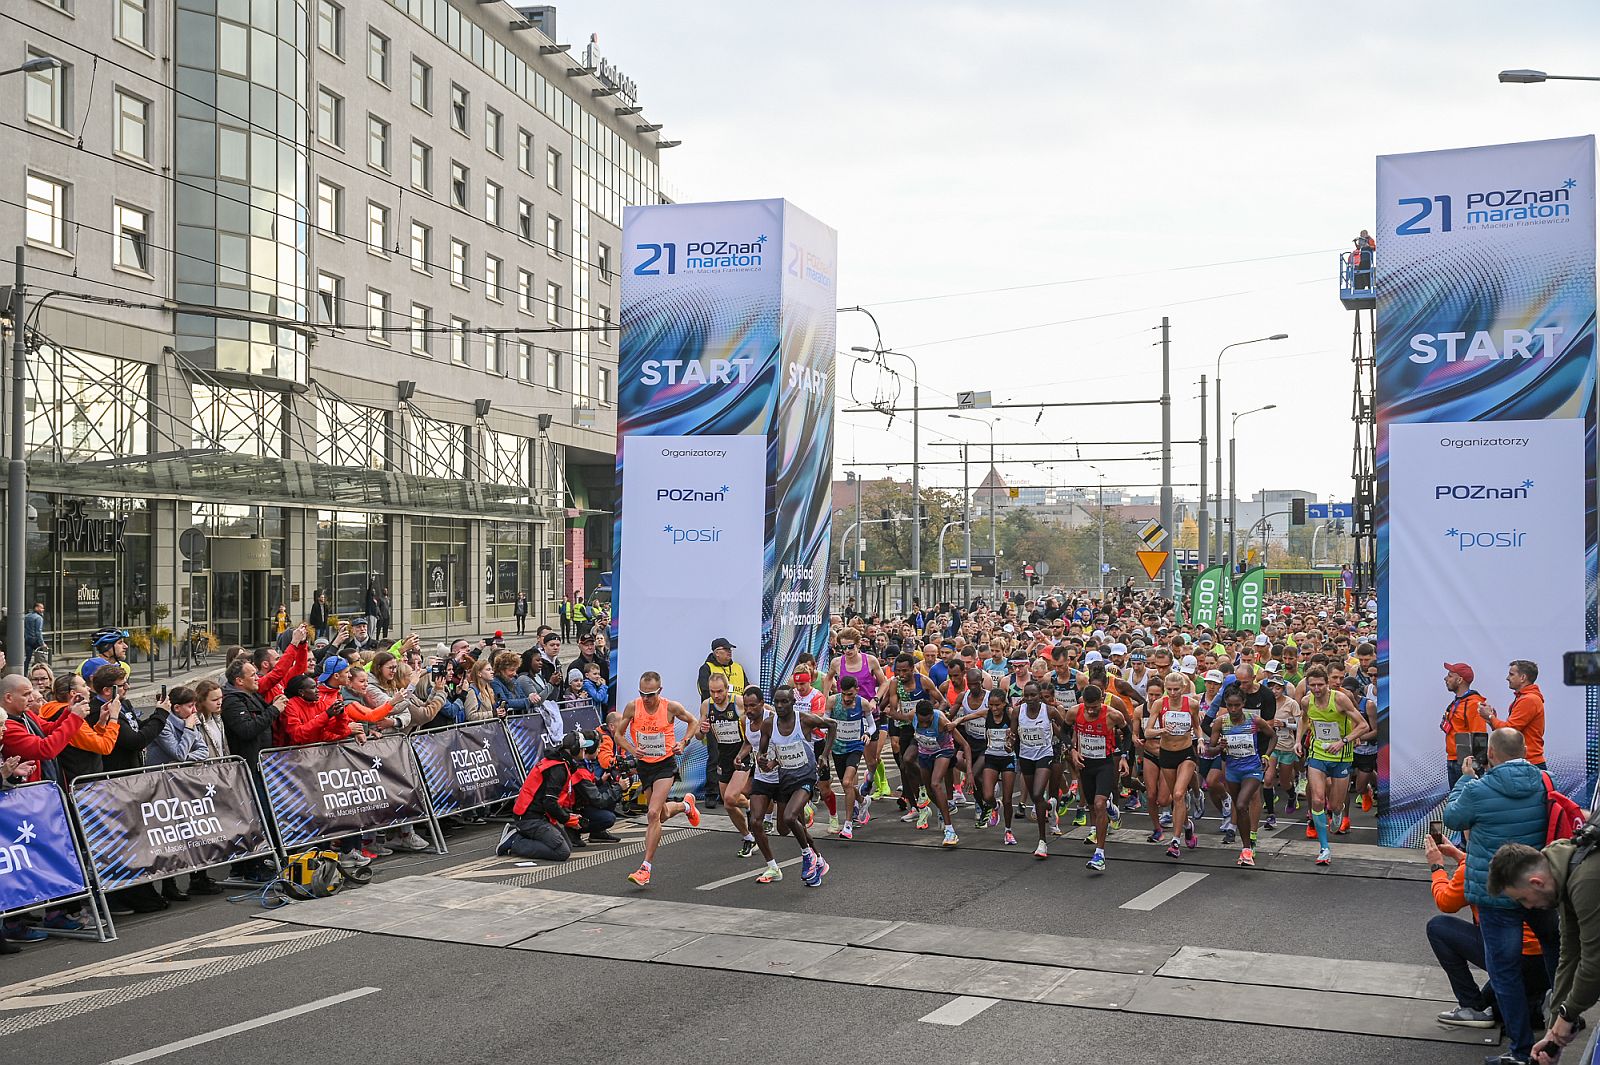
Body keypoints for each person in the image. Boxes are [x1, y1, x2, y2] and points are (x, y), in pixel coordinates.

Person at [1443, 727, 1555, 1065]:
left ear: (1490, 754)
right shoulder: (1543, 781)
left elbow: (1452, 818)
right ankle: (1558, 1011)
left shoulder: (1479, 788)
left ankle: (1521, 1052)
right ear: (1524, 749)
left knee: (1504, 973)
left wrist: (1464, 780)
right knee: (1556, 951)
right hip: (1536, 885)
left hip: (1497, 893)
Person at [1489, 835, 1600, 1065]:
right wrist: (1553, 1035)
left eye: (1523, 899)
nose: (1528, 907)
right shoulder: (1563, 868)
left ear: (1536, 882)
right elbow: (1569, 954)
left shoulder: (1586, 880)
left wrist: (1568, 1015)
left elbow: (1594, 963)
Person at [1426, 833, 1548, 1034]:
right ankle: (1537, 1000)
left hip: (1513, 957)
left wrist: (1437, 867)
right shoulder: (1524, 856)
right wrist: (1460, 857)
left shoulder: (1472, 868)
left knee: (1438, 927)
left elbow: (1446, 902)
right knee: (1495, 1006)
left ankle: (1471, 1007)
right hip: (1544, 958)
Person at [615, 672, 701, 886]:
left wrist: (683, 742)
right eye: (642, 694)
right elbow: (618, 734)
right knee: (661, 814)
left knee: (652, 813)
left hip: (665, 765)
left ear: (659, 691)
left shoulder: (670, 707)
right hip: (645, 766)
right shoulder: (633, 707)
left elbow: (693, 721)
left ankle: (645, 868)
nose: (646, 699)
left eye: (650, 694)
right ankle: (685, 806)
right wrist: (633, 750)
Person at [752, 685, 837, 886]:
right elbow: (764, 756)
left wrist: (824, 754)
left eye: (785, 702)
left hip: (805, 778)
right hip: (786, 779)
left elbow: (832, 725)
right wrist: (765, 761)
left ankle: (808, 856)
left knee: (789, 817)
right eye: (777, 702)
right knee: (798, 826)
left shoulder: (804, 720)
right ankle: (819, 862)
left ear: (793, 703)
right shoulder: (768, 725)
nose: (780, 706)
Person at [1294, 665, 1368, 865]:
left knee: (1335, 805)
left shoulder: (1340, 699)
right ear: (1308, 685)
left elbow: (1363, 725)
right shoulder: (1306, 701)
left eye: (1320, 685)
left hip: (1342, 756)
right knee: (1317, 800)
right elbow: (1303, 720)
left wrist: (1343, 741)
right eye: (1313, 685)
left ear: (1327, 683)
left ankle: (1337, 811)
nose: (1317, 689)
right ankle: (1324, 848)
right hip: (1317, 754)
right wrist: (1298, 741)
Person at [1209, 686, 1275, 868]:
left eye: (1237, 705)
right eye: (1229, 705)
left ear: (1243, 704)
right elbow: (1210, 748)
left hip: (1252, 769)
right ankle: (1248, 846)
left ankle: (1246, 849)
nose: (1233, 709)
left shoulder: (1254, 720)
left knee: (1240, 804)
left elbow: (1273, 736)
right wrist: (1219, 747)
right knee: (1240, 809)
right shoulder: (1220, 722)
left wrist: (1266, 755)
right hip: (1232, 770)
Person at [1071, 684, 1128, 872]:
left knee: (1098, 804)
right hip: (1085, 765)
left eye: (1095, 706)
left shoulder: (1113, 715)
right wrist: (1072, 751)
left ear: (1101, 701)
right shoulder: (1074, 712)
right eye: (1088, 706)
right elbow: (1064, 731)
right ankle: (1110, 807)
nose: (1091, 710)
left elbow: (1127, 734)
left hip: (1105, 764)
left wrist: (1124, 758)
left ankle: (1100, 854)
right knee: (1092, 806)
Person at [695, 637, 748, 806]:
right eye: (726, 650)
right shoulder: (707, 668)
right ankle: (711, 792)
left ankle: (744, 796)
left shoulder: (738, 667)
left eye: (730, 649)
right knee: (715, 755)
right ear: (717, 653)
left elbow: (747, 688)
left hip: (737, 718)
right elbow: (705, 692)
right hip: (716, 718)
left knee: (741, 752)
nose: (730, 652)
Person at [1484, 661, 1546, 770]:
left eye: (1511, 674)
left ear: (1523, 678)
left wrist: (1490, 717)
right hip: (1525, 762)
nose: (1507, 678)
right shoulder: (1524, 698)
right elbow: (1510, 729)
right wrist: (1491, 719)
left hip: (1528, 763)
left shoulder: (1529, 699)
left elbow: (1509, 731)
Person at [1443, 662, 1489, 789]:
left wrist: (1476, 768)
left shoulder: (1474, 703)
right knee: (1456, 799)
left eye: (1450, 676)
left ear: (1459, 680)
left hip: (1464, 763)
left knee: (1468, 802)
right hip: (1453, 759)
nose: (1446, 678)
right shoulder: (1457, 702)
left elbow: (1479, 735)